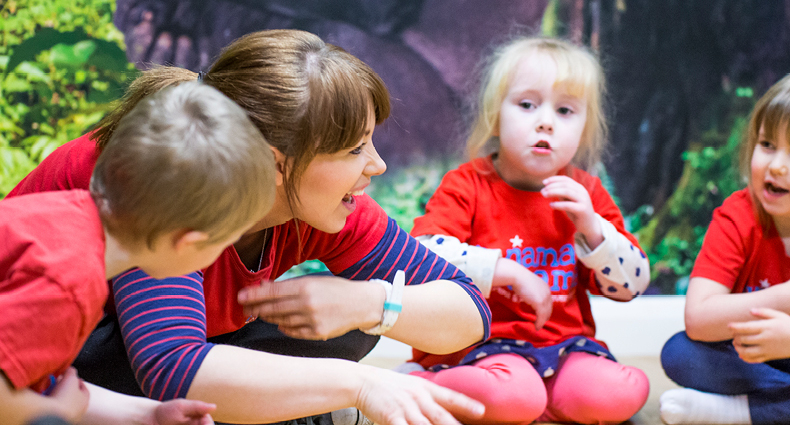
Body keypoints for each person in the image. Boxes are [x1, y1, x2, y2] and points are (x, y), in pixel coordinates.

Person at [7, 29, 489, 425]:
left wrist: (371, 301)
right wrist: (358, 385)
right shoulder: (169, 181)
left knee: (346, 332)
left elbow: (469, 309)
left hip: (78, 369)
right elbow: (170, 365)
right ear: (278, 164)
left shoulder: (321, 200)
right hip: (64, 351)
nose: (377, 166)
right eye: (353, 149)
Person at [399, 35, 651, 425]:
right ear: (495, 117)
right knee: (514, 392)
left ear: (584, 129)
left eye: (565, 110)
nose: (545, 122)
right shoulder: (468, 185)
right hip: (481, 349)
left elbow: (630, 285)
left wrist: (592, 227)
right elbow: (424, 254)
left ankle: (533, 403)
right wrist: (508, 271)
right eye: (528, 105)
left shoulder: (588, 193)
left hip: (564, 348)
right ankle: (423, 384)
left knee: (623, 391)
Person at [0, 81, 279, 424]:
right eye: (224, 243)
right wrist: (57, 414)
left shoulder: (59, 216)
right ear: (187, 243)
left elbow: (27, 381)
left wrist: (149, 415)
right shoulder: (69, 282)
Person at [658, 65, 790, 425]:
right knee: (679, 353)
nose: (775, 165)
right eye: (767, 145)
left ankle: (742, 412)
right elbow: (699, 320)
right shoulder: (737, 216)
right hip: (754, 357)